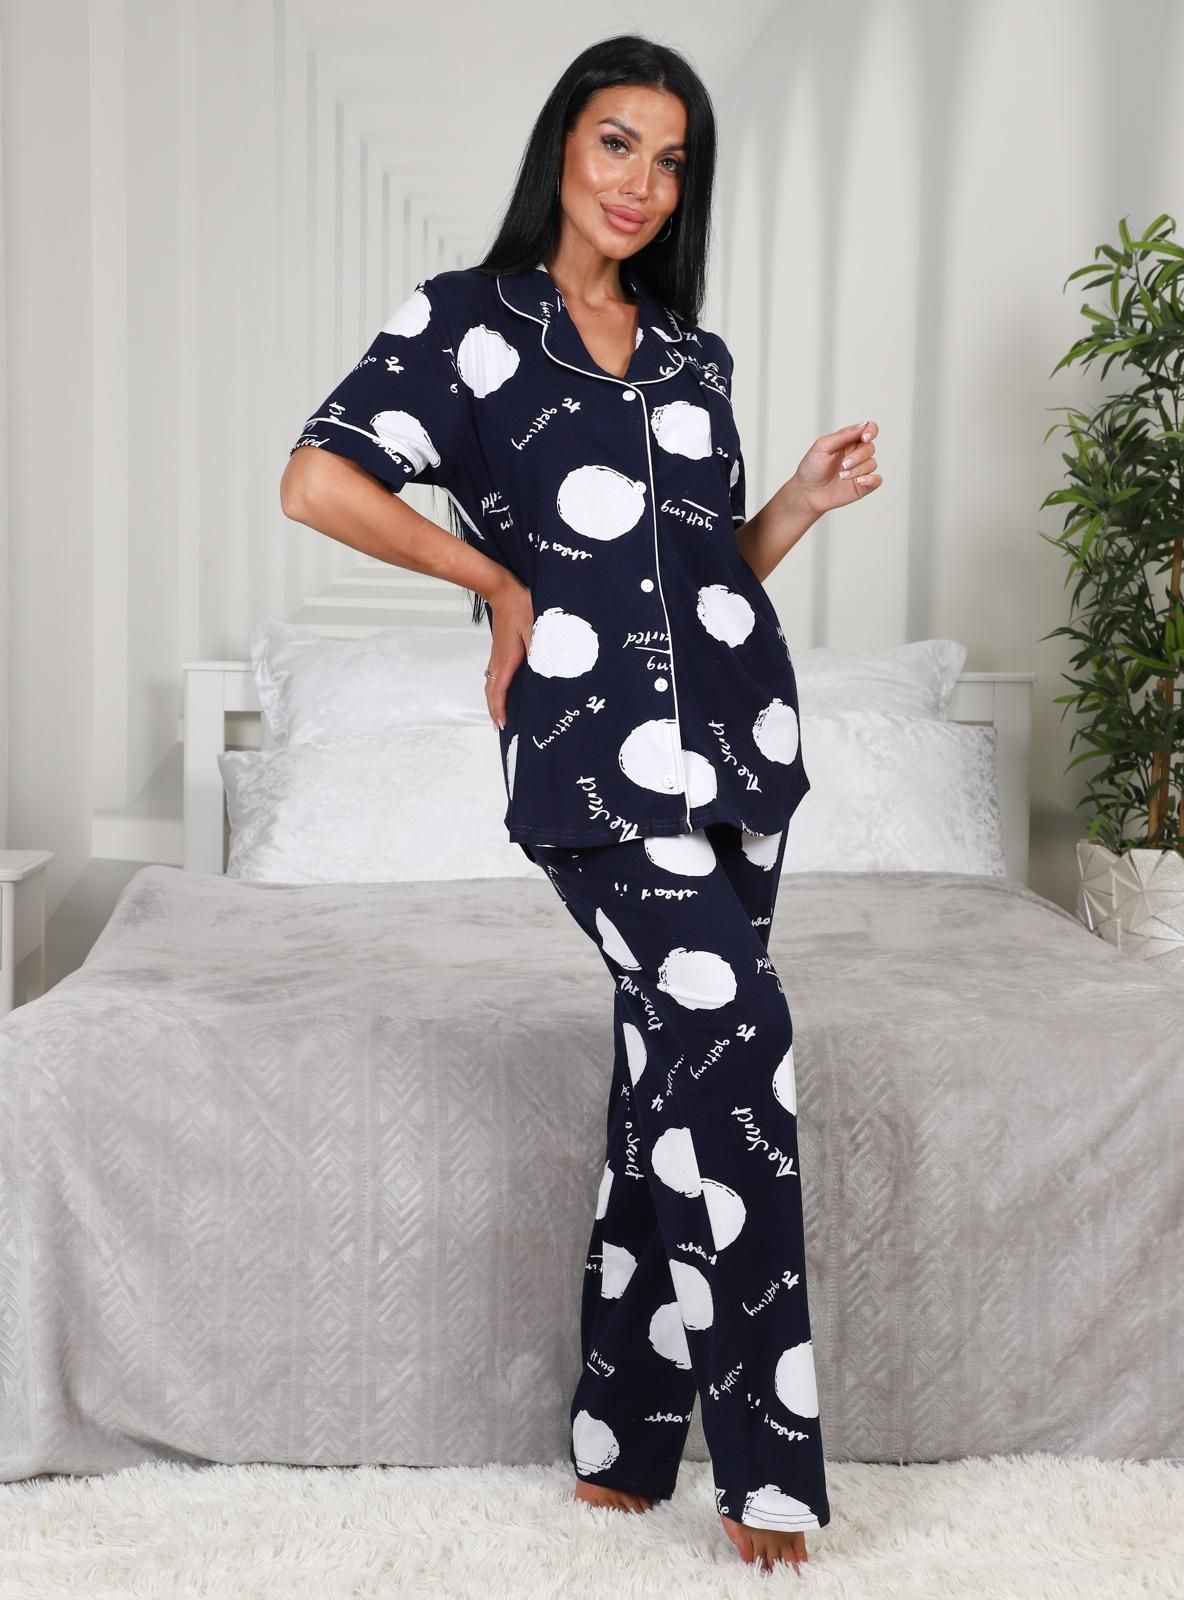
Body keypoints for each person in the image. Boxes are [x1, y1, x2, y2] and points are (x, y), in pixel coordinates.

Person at [281, 32, 881, 1576]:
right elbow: (318, 479)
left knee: (666, 1071)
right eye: (619, 143)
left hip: (743, 753)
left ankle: (621, 1443)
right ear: (563, 145)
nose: (642, 182)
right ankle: (770, 1479)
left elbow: (706, 574)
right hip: (590, 762)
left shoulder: (693, 357)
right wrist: (494, 584)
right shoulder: (466, 324)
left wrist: (796, 503)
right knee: (739, 1039)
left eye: (672, 161)